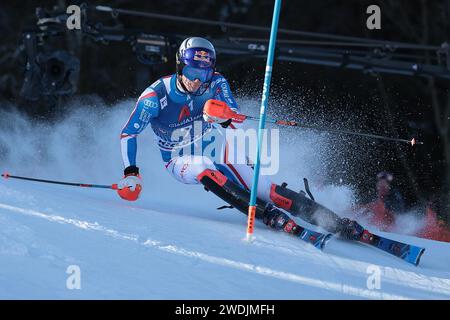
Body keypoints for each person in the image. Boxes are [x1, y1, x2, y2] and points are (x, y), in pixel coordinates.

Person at [116, 36, 363, 240]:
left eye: (204, 73)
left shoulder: (216, 82)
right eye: (192, 71)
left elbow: (234, 116)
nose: (196, 80)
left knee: (265, 188)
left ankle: (335, 222)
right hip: (178, 159)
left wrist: (223, 116)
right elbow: (129, 133)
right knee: (205, 168)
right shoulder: (154, 97)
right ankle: (267, 215)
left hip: (215, 147)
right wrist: (131, 173)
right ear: (180, 66)